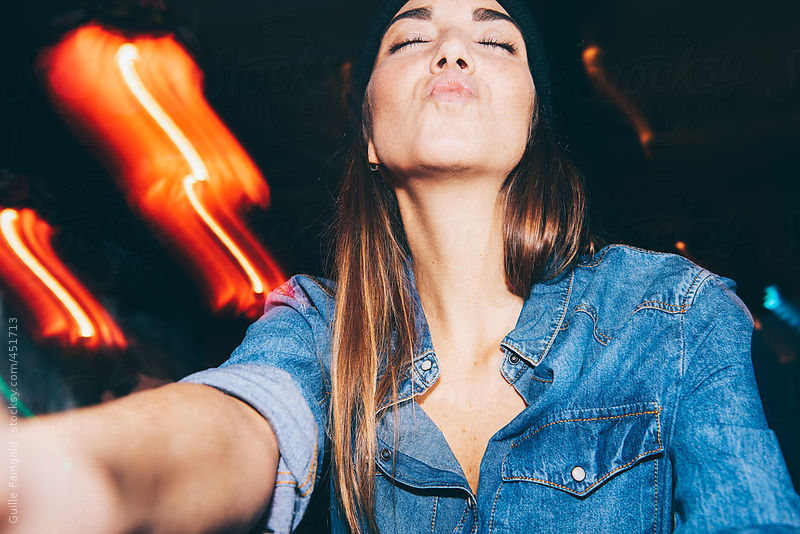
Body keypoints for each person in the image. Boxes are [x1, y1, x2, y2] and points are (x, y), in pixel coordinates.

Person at [5, 0, 800, 533]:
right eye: (412, 37)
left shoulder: (672, 311)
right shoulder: (320, 325)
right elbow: (241, 420)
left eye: (495, 40)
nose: (452, 46)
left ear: (532, 120)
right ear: (372, 133)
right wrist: (55, 471)